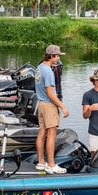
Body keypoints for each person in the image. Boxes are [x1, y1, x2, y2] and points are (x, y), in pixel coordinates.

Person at [34, 44, 70, 174]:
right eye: (57, 56)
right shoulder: (48, 71)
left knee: (42, 132)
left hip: (40, 104)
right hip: (49, 105)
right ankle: (51, 164)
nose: (59, 58)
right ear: (52, 56)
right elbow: (50, 93)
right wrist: (62, 107)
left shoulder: (39, 67)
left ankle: (41, 162)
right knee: (51, 134)